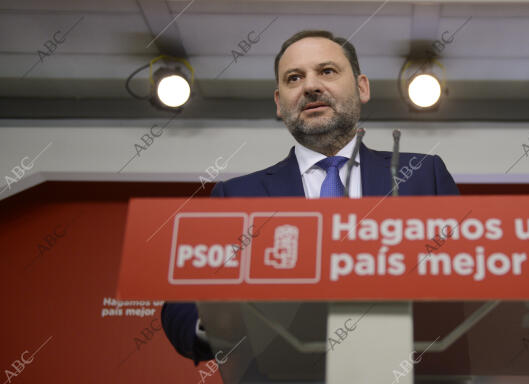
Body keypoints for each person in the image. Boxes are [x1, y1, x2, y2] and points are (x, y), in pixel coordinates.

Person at [161, 29, 459, 365]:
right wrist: (217, 322)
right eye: (294, 78)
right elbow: (182, 306)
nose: (311, 86)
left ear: (362, 87)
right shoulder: (237, 196)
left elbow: (474, 279)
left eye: (327, 71)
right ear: (279, 102)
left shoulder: (423, 175)